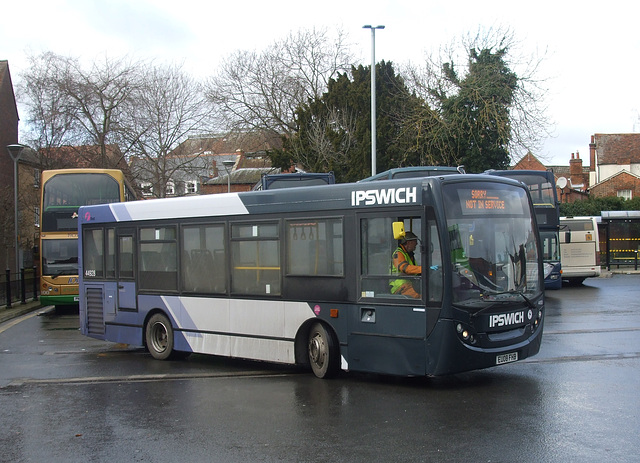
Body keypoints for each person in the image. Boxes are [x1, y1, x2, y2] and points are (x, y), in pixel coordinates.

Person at [390, 231, 422, 298]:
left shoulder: (409, 254)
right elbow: (405, 268)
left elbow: (414, 271)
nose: (416, 244)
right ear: (408, 242)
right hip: (399, 286)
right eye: (415, 241)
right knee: (420, 296)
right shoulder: (398, 253)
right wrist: (423, 269)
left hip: (409, 284)